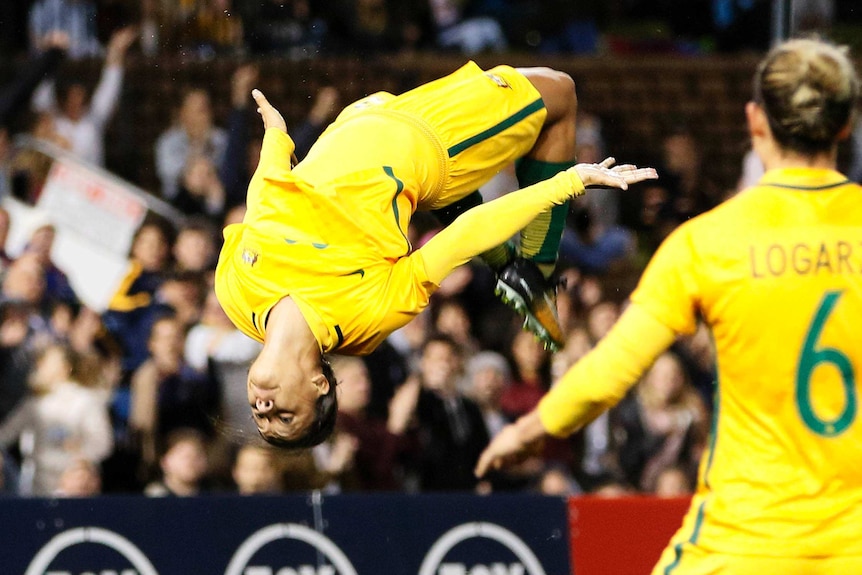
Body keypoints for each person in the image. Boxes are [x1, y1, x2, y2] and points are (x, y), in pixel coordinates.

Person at [476, 37, 862, 573]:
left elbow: (611, 372)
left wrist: (526, 431)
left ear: (754, 121)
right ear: (845, 125)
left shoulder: (706, 243)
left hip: (741, 544)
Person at [214, 62, 657, 449]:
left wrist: (276, 137)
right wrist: (570, 181)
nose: (264, 406)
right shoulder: (364, 317)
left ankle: (505, 262)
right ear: (319, 384)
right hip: (434, 142)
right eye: (284, 416)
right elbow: (462, 238)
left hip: (361, 120)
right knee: (559, 92)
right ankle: (537, 269)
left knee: (441, 195)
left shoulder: (235, 296)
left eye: (260, 416)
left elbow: (265, 204)